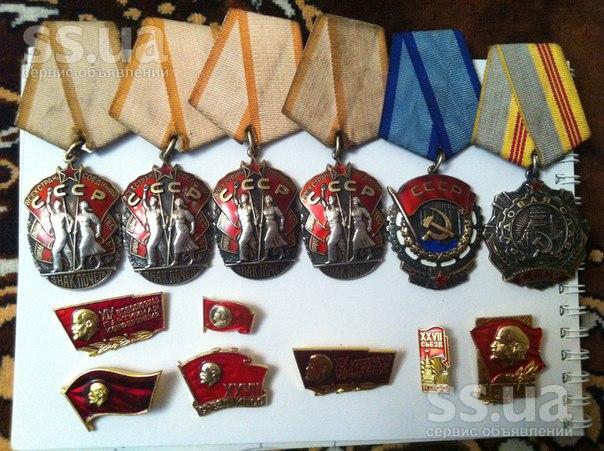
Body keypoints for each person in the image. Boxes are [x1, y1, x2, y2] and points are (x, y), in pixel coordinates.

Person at [45, 191, 74, 273]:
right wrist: (49, 195)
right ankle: (73, 265)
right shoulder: (52, 214)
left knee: (55, 251)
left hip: (62, 233)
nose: (56, 204)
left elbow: (72, 220)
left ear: (60, 205)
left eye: (57, 203)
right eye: (55, 203)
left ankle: (58, 268)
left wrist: (70, 227)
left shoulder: (64, 214)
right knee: (66, 250)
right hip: (57, 234)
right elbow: (48, 204)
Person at [320, 185, 346, 264]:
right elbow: (322, 199)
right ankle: (345, 256)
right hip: (332, 227)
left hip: (337, 226)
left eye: (331, 199)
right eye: (329, 199)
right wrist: (322, 191)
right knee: (341, 243)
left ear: (334, 201)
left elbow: (345, 215)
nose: (329, 200)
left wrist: (344, 221)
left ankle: (332, 259)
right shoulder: (327, 208)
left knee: (330, 243)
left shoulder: (338, 209)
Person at [168, 197, 198, 266]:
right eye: (178, 201)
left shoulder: (185, 212)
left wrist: (193, 228)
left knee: (176, 244)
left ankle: (176, 260)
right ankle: (192, 259)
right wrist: (170, 226)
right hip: (177, 230)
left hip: (183, 230)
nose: (179, 202)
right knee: (186, 244)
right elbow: (173, 222)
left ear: (182, 203)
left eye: (180, 201)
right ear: (175, 203)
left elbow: (192, 220)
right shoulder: (173, 212)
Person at [75, 201, 105, 270]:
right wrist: (75, 230)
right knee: (93, 247)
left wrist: (98, 232)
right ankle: (100, 262)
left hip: (88, 233)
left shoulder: (90, 215)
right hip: (83, 233)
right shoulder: (78, 216)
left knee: (81, 247)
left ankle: (82, 264)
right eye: (81, 204)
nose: (82, 205)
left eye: (83, 204)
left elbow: (98, 223)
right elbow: (76, 226)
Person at [142, 185, 166, 268]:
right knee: (160, 245)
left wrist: (165, 223)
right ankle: (166, 261)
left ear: (155, 201)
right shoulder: (148, 209)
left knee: (150, 246)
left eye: (152, 199)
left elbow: (167, 217)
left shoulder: (159, 210)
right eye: (150, 199)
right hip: (152, 230)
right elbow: (144, 200)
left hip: (157, 229)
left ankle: (152, 263)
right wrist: (145, 191)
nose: (150, 200)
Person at [232, 187, 257, 263]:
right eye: (242, 196)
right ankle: (256, 256)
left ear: (247, 198)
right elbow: (234, 198)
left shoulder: (250, 207)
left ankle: (243, 258)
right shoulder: (239, 207)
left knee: (241, 242)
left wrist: (256, 220)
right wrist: (235, 189)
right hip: (243, 227)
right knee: (252, 242)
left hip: (248, 225)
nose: (243, 197)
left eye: (244, 196)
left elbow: (256, 214)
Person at [261, 195, 287, 260]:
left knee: (266, 240)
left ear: (271, 199)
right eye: (266, 198)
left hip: (273, 225)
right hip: (267, 225)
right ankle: (282, 253)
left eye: (268, 198)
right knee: (277, 239)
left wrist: (281, 225)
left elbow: (281, 217)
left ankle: (266, 255)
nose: (267, 199)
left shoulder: (275, 208)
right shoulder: (263, 208)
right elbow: (261, 218)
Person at [349, 197, 375, 261]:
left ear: (358, 201)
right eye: (353, 200)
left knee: (355, 240)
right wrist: (348, 225)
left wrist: (369, 226)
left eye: (355, 200)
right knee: (363, 241)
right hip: (355, 226)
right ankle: (370, 254)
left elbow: (369, 218)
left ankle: (354, 257)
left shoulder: (362, 209)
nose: (354, 201)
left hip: (361, 226)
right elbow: (350, 219)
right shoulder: (352, 210)